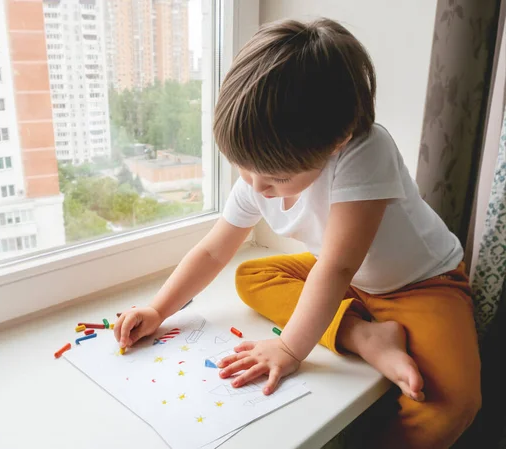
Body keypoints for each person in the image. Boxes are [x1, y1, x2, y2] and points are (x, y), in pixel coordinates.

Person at [114, 18, 481, 448]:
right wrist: (159, 310)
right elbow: (214, 251)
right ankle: (363, 336)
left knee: (453, 403)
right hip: (346, 278)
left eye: (276, 178)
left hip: (419, 284)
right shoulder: (261, 172)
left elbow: (338, 265)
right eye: (242, 166)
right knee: (251, 277)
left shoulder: (366, 151)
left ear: (338, 140)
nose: (255, 186)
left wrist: (289, 350)